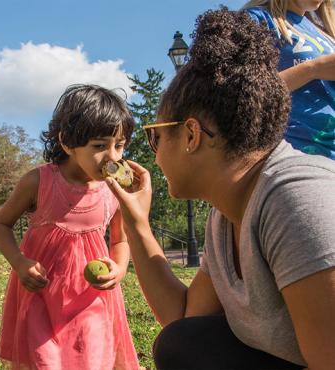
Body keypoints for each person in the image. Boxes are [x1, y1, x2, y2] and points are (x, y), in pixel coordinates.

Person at [104, 8, 335, 370]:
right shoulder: (227, 213)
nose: (154, 151)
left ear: (191, 135)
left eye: (155, 135)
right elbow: (184, 320)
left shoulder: (296, 200)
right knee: (182, 345)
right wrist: (136, 223)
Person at [0, 84, 140, 369]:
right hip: (41, 295)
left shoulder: (117, 188)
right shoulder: (39, 181)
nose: (113, 157)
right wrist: (20, 262)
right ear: (68, 142)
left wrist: (119, 269)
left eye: (119, 145)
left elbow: (120, 239)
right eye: (99, 146)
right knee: (44, 362)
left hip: (91, 297)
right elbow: (1, 224)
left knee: (93, 357)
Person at [243, 0, 335, 159]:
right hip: (294, 154)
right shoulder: (257, 19)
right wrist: (313, 69)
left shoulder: (322, 31)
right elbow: (240, 94)